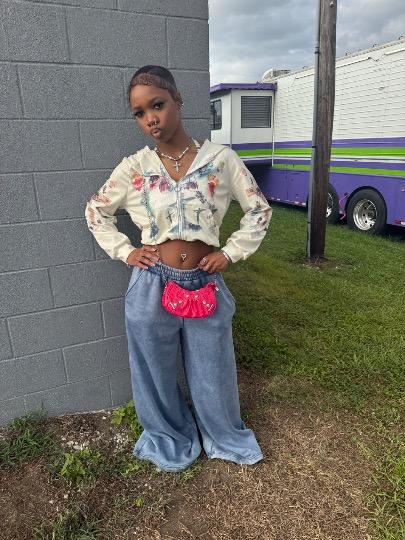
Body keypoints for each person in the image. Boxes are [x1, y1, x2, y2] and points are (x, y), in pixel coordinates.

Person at [84, 65, 272, 473]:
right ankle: (170, 437)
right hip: (151, 285)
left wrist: (230, 253)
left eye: (158, 105)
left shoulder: (220, 160)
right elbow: (96, 211)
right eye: (139, 113)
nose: (150, 119)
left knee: (213, 369)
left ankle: (223, 435)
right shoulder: (135, 167)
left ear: (178, 101)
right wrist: (127, 252)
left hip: (204, 281)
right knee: (153, 370)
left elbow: (259, 209)